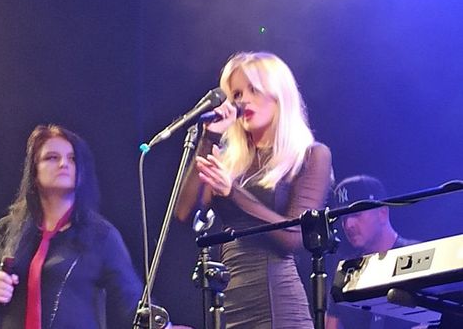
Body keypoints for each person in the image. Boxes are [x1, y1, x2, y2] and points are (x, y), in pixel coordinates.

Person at [175, 51, 333, 329]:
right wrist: (209, 137)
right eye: (236, 94)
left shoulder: (310, 155)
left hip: (278, 302)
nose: (243, 100)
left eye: (253, 90)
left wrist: (232, 193)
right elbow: (184, 212)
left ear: (278, 95)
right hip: (231, 301)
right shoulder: (231, 162)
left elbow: (293, 238)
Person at [0, 124, 178, 329]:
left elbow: (132, 303)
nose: (64, 164)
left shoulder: (100, 235)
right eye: (52, 157)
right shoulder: (6, 230)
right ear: (33, 172)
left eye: (72, 159)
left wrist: (166, 326)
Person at [326, 175, 418, 329]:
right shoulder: (345, 271)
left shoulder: (416, 256)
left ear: (382, 213)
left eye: (356, 214)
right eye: (344, 217)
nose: (348, 225)